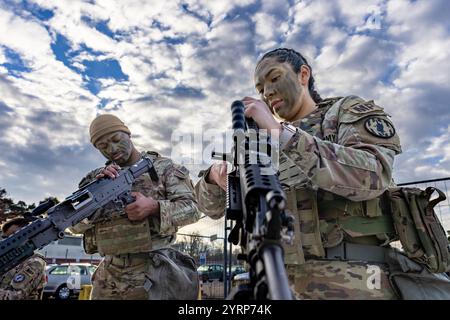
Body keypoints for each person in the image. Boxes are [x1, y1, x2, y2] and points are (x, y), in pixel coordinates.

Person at [195, 48, 404, 299]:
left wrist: (282, 134)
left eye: (274, 78)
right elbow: (212, 209)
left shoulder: (343, 112)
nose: (267, 92)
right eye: (261, 88)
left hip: (351, 281)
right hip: (272, 281)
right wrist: (215, 180)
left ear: (303, 74)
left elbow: (373, 175)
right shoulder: (258, 143)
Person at [70, 114, 201, 300]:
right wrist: (94, 205)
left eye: (116, 139)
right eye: (103, 146)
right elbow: (72, 225)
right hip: (109, 276)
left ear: (128, 134)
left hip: (154, 272)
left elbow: (193, 210)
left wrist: (154, 207)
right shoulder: (96, 179)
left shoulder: (164, 168)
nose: (112, 148)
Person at [0, 217, 46, 300]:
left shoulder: (34, 262)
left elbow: (14, 296)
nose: (8, 241)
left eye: (13, 236)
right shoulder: (7, 260)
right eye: (4, 237)